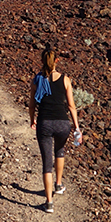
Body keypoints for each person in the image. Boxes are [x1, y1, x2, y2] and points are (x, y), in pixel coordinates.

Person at [29, 47, 81, 213]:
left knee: (46, 162)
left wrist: (32, 119)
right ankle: (58, 185)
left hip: (44, 123)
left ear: (42, 60)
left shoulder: (37, 79)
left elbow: (32, 103)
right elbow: (71, 106)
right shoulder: (65, 79)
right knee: (60, 150)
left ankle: (49, 203)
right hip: (62, 124)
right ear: (56, 61)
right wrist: (77, 127)